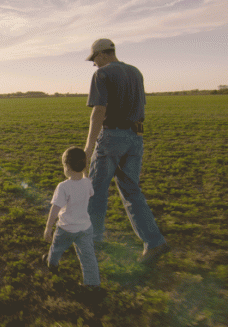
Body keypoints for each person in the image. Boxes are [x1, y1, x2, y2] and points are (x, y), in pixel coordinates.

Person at [84, 38, 170, 264]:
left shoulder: (101, 75)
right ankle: (154, 242)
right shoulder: (135, 72)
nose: (94, 64)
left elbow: (99, 111)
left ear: (102, 54)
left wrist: (88, 146)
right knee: (131, 191)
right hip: (136, 136)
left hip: (112, 136)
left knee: (96, 189)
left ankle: (92, 239)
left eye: (94, 59)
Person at [43, 147, 101, 289]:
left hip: (66, 228)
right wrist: (85, 173)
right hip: (85, 228)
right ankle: (92, 284)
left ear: (67, 167)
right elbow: (91, 193)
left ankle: (52, 263)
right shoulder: (87, 182)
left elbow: (55, 208)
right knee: (88, 256)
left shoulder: (63, 187)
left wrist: (48, 228)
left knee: (56, 248)